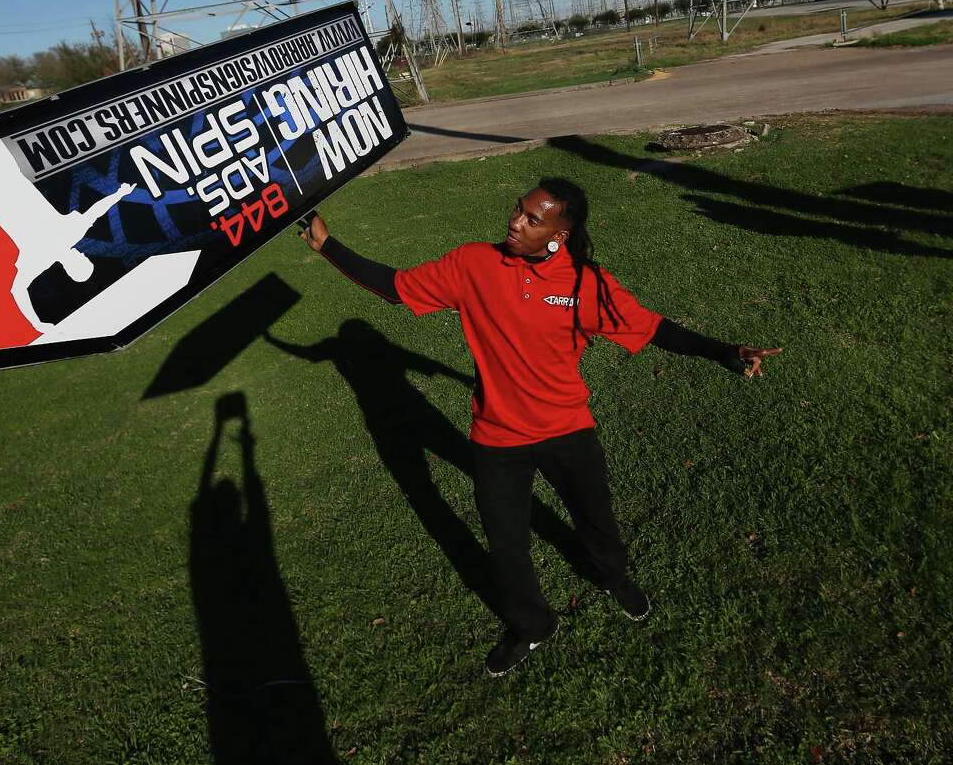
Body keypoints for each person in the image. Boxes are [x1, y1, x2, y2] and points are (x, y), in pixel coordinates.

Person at [295, 177, 782, 677]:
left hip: (567, 430)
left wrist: (724, 351)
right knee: (506, 545)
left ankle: (613, 578)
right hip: (498, 438)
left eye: (532, 219)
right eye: (518, 210)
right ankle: (531, 626)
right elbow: (397, 288)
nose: (515, 221)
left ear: (559, 235)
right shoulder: (473, 265)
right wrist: (327, 245)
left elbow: (653, 327)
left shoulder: (583, 284)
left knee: (596, 521)